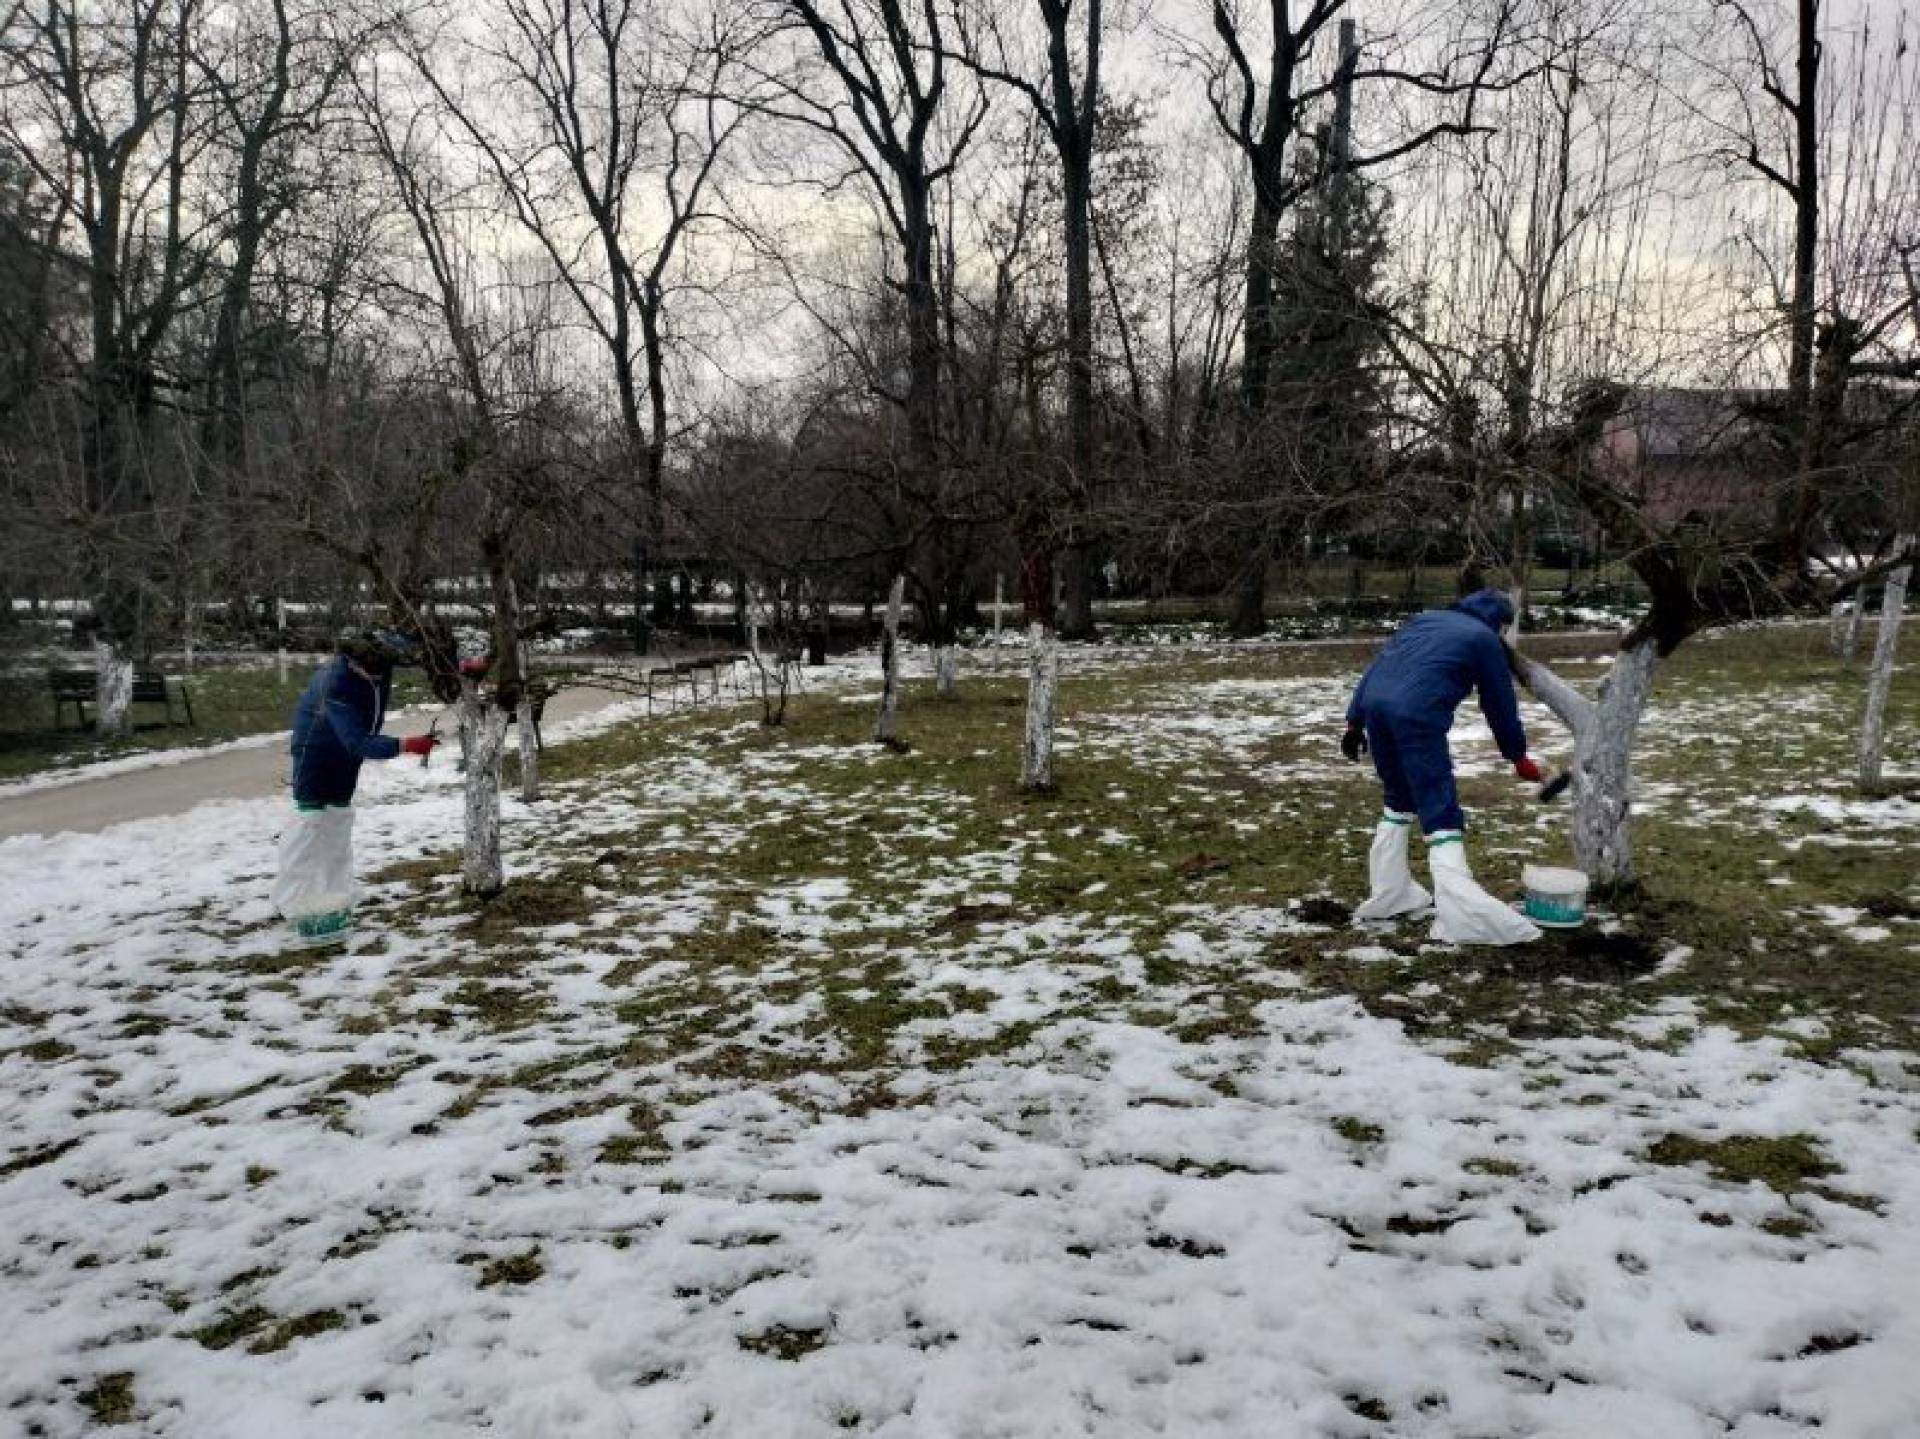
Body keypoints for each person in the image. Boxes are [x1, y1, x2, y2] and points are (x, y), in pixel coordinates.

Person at [1340, 589, 1544, 946]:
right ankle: (1464, 916)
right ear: (1500, 623)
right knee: (1439, 808)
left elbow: (1379, 666)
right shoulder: (1485, 640)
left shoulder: (1424, 620)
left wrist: (1354, 722)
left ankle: (1391, 893)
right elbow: (1499, 704)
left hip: (1376, 708)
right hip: (1417, 715)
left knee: (1399, 800)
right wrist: (1518, 756)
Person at [271, 630, 438, 946]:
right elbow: (357, 740)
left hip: (348, 756)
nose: (377, 677)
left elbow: (413, 643)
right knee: (309, 825)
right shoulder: (336, 684)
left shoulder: (381, 658)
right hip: (316, 752)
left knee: (337, 821)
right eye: (369, 671)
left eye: (381, 670)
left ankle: (337, 893)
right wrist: (405, 744)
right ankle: (292, 900)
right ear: (352, 661)